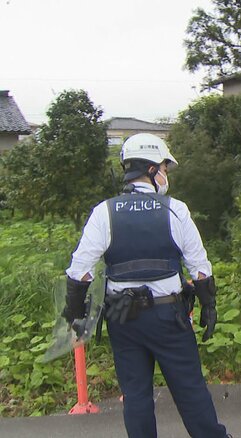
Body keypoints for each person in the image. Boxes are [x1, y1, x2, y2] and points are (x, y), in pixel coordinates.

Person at [62, 133, 230, 438]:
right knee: (189, 388)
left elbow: (80, 270)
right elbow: (199, 265)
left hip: (123, 318)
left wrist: (74, 312)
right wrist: (209, 306)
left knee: (136, 395)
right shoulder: (175, 209)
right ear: (152, 169)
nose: (166, 174)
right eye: (165, 167)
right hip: (168, 317)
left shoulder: (105, 211)